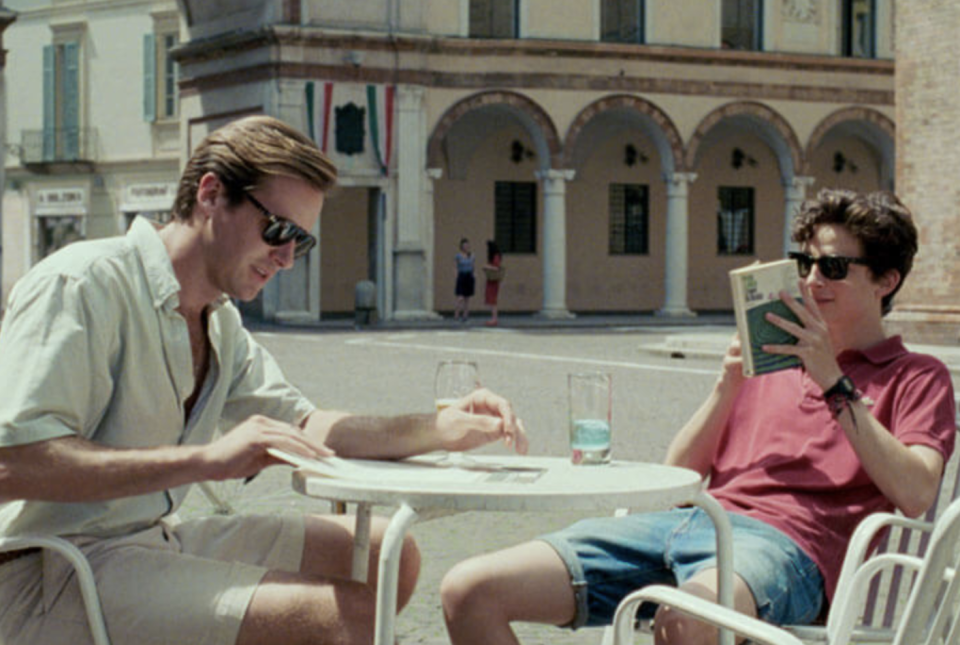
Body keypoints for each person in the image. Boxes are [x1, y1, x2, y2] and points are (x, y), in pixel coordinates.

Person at [0, 115, 528, 645]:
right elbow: (11, 465)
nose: (288, 258)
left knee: (385, 554)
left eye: (302, 242)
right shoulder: (82, 283)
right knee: (342, 615)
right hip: (43, 572)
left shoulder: (219, 321)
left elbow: (308, 425)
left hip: (147, 540)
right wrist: (208, 459)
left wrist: (439, 429)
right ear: (211, 194)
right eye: (279, 230)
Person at [440, 188, 956, 645]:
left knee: (686, 622)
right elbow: (678, 475)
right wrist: (726, 385)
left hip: (786, 549)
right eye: (805, 264)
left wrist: (832, 382)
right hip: (686, 521)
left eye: (834, 268)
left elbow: (916, 492)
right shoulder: (769, 358)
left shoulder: (917, 375)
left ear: (886, 280)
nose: (813, 279)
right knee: (469, 590)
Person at [454, 237, 475, 323]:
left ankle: (465, 315)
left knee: (467, 298)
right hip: (461, 275)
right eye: (464, 245)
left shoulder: (472, 255)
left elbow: (473, 266)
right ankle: (456, 314)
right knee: (460, 297)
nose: (466, 247)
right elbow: (456, 266)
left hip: (469, 276)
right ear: (461, 246)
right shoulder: (458, 256)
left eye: (467, 245)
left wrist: (473, 274)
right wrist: (456, 275)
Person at [483, 240, 503, 327]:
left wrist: (487, 267)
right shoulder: (495, 256)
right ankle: (493, 318)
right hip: (491, 281)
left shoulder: (495, 256)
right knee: (491, 300)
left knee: (493, 300)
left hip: (493, 281)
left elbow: (497, 268)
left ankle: (494, 319)